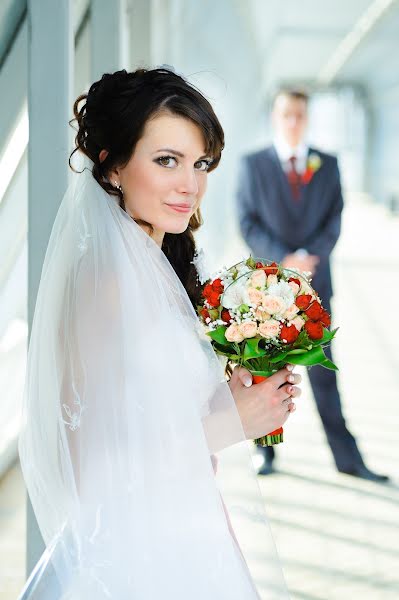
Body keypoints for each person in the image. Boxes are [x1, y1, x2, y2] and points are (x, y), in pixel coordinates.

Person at [18, 69, 302, 599]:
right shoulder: (102, 280)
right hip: (127, 556)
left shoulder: (154, 264)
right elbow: (91, 468)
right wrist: (226, 426)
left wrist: (235, 396)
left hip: (181, 524)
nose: (189, 184)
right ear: (113, 167)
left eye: (199, 164)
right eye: (166, 160)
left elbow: (147, 410)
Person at [236, 88, 388, 483]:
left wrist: (308, 258)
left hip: (316, 284)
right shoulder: (253, 165)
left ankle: (348, 459)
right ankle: (264, 451)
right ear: (275, 116)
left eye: (300, 115)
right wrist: (286, 260)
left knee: (323, 373)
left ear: (306, 119)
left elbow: (335, 218)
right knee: (266, 370)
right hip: (270, 287)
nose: (293, 122)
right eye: (287, 114)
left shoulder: (328, 164)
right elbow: (247, 220)